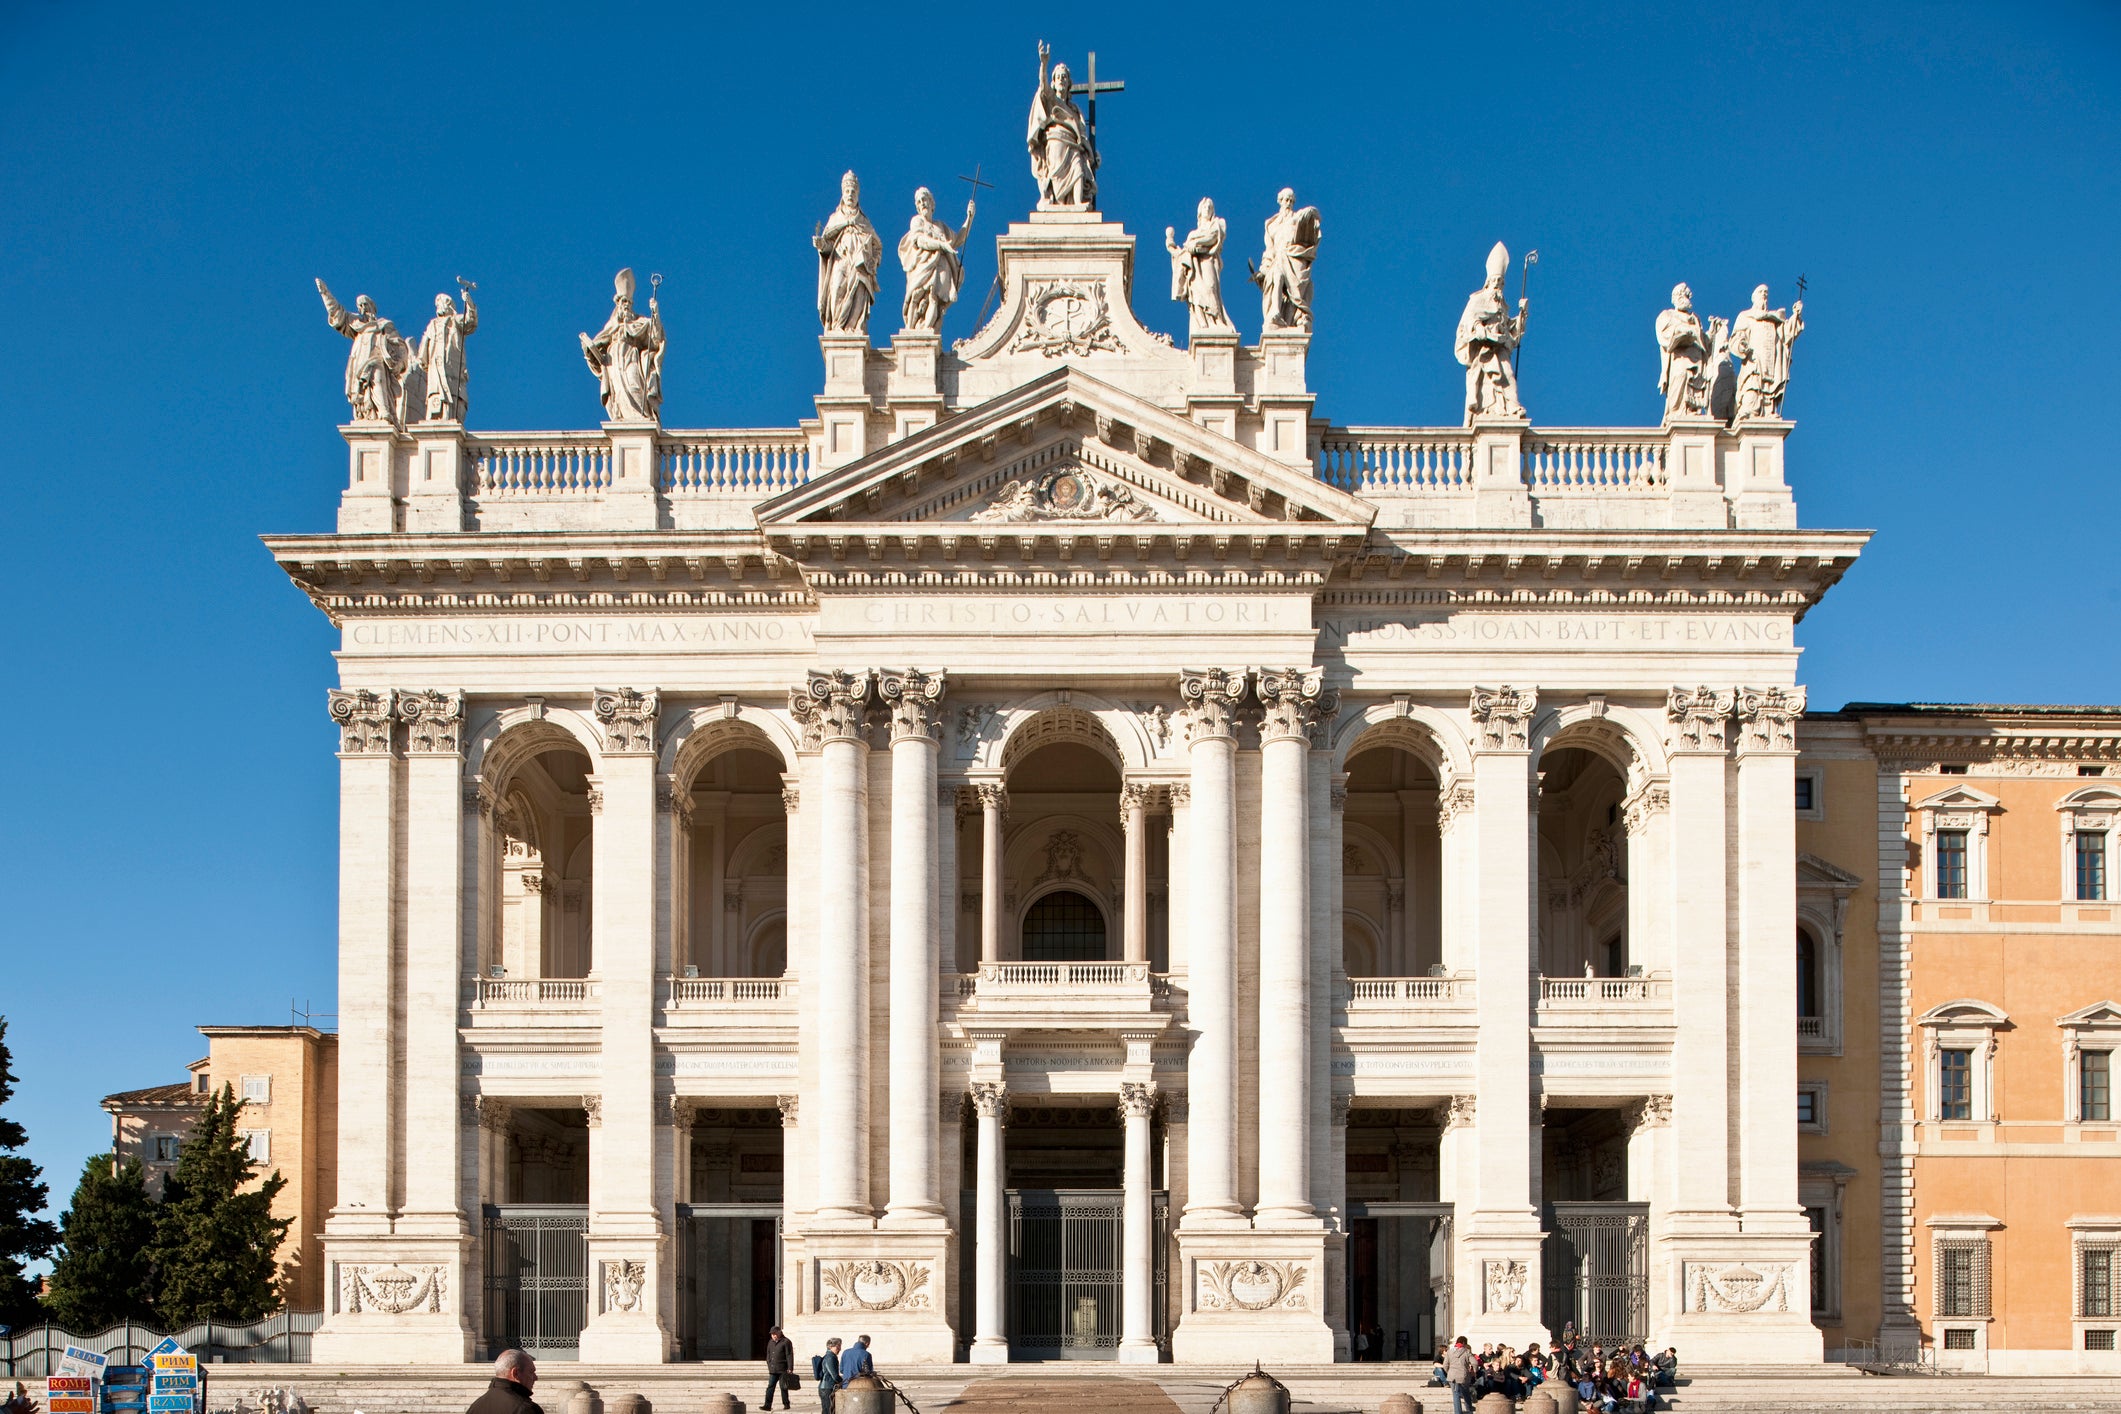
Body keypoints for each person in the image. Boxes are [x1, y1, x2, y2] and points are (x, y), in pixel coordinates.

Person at [316, 280, 412, 428]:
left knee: (378, 379)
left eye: (365, 304)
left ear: (372, 307)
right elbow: (337, 313)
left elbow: (399, 344)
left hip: (377, 359)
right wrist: (326, 294)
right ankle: (371, 414)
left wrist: (399, 362)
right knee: (364, 388)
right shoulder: (356, 324)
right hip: (360, 360)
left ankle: (384, 412)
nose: (362, 308)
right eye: (360, 305)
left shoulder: (383, 325)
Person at [1455, 241, 1528, 423]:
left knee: (1508, 376)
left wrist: (1522, 314)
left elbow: (1513, 336)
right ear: (1488, 282)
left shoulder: (1502, 307)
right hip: (1484, 351)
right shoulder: (1477, 301)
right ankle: (1490, 411)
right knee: (1487, 385)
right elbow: (1469, 323)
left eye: (1501, 282)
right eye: (1495, 281)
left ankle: (1510, 408)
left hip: (1500, 349)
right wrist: (1482, 332)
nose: (1498, 285)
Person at [578, 269, 664, 423]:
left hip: (631, 357)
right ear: (618, 304)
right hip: (614, 362)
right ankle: (627, 420)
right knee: (619, 392)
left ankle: (639, 418)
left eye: (629, 302)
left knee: (634, 387)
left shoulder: (640, 322)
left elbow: (655, 339)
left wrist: (655, 313)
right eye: (623, 302)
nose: (626, 305)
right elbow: (597, 348)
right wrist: (589, 349)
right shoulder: (611, 326)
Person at [1027, 41, 1095, 209]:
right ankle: (1056, 200)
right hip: (1056, 140)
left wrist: (1088, 149)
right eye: (1058, 77)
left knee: (1078, 167)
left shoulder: (1074, 109)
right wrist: (1044, 64)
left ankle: (1078, 202)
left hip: (1074, 144)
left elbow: (1081, 130)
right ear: (1054, 81)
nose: (1061, 80)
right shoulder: (1051, 99)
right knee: (1057, 173)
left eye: (1064, 77)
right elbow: (1043, 87)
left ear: (1069, 82)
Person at [898, 186, 975, 332]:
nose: (922, 203)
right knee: (916, 295)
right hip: (923, 265)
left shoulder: (940, 226)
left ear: (932, 204)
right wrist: (941, 245)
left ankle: (928, 329)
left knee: (934, 297)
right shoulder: (917, 221)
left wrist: (969, 218)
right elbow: (919, 240)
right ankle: (912, 329)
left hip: (941, 266)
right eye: (919, 202)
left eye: (925, 200)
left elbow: (958, 239)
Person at [815, 170, 882, 333]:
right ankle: (838, 326)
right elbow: (828, 246)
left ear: (858, 194)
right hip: (840, 261)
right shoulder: (835, 218)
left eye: (853, 191)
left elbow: (877, 246)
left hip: (859, 266)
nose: (850, 194)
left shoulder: (864, 222)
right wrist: (822, 245)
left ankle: (852, 327)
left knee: (858, 294)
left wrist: (872, 262)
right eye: (847, 191)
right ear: (842, 194)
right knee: (837, 290)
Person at [1250, 188, 1321, 333]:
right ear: (1279, 201)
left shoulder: (1297, 218)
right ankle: (1274, 312)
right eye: (1285, 200)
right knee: (1276, 273)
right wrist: (1263, 271)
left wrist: (1310, 212)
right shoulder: (1271, 224)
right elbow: (1269, 251)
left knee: (1292, 296)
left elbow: (1314, 223)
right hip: (1278, 258)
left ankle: (1288, 319)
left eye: (1291, 200)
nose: (1288, 203)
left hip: (1295, 258)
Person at [1166, 197, 1232, 331]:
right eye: (1204, 207)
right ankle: (1203, 323)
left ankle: (1215, 320)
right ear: (1199, 212)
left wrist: (1195, 245)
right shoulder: (1192, 234)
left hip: (1208, 261)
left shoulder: (1216, 225)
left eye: (1209, 207)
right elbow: (1183, 252)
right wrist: (1172, 247)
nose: (1207, 209)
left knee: (1210, 287)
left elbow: (1212, 237)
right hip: (1195, 266)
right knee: (1196, 293)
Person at [466, 1350, 540, 1414]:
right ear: (515, 1373)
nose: (535, 1378)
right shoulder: (526, 1409)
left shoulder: (476, 1407)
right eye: (531, 1372)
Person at [763, 1324, 796, 1411]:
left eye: (775, 1334)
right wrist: (769, 1363)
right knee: (770, 1387)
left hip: (783, 1369)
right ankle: (767, 1405)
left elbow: (789, 1355)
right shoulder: (770, 1342)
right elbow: (768, 1354)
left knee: (783, 1387)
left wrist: (790, 1367)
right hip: (773, 1369)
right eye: (772, 1334)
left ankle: (786, 1404)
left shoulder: (786, 1341)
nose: (773, 1336)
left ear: (779, 1333)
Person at [1441, 1334, 1476, 1414]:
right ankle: (1469, 1410)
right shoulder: (1467, 1351)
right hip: (1463, 1376)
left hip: (1452, 1376)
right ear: (1464, 1343)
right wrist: (1474, 1372)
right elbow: (1475, 1363)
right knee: (1466, 1393)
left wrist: (1449, 1372)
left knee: (1456, 1395)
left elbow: (1445, 1365)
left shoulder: (1449, 1352)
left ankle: (1458, 1412)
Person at [814, 1337, 842, 1413]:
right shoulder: (830, 1357)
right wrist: (843, 1382)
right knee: (828, 1410)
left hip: (825, 1387)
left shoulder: (829, 1356)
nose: (840, 1348)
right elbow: (834, 1375)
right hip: (827, 1388)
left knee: (827, 1410)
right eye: (838, 1346)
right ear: (831, 1346)